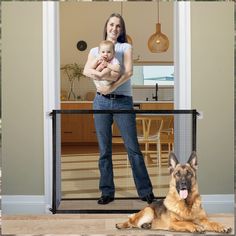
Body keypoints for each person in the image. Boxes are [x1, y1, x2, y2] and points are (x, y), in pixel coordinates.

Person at [83, 13, 155, 205]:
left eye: (118, 26)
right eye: (111, 25)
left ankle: (145, 191)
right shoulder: (94, 50)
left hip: (123, 101)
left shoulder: (125, 47)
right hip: (100, 103)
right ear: (106, 26)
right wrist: (99, 79)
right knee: (104, 150)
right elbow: (86, 70)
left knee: (133, 149)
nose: (114, 29)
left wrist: (111, 87)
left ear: (122, 30)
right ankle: (107, 192)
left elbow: (129, 71)